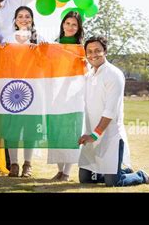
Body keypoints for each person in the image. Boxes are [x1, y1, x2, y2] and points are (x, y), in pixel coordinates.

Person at [78, 36, 149, 187]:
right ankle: (121, 171)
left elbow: (110, 111)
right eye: (89, 51)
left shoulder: (114, 74)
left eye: (97, 51)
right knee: (86, 179)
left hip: (110, 136)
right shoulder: (88, 76)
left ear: (105, 51)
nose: (93, 54)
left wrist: (94, 135)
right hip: (91, 135)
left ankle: (140, 175)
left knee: (114, 182)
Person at [4, 6, 47, 177]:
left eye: (27, 16)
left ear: (32, 20)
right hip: (11, 90)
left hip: (34, 90)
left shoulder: (40, 39)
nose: (23, 19)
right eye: (20, 16)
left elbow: (49, 62)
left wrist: (41, 52)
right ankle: (13, 164)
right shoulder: (7, 40)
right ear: (15, 20)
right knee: (12, 127)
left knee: (30, 128)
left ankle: (27, 164)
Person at [48, 11, 84, 182]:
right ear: (63, 24)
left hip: (73, 97)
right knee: (56, 131)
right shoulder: (54, 45)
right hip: (55, 95)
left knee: (70, 132)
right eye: (67, 23)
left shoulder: (82, 49)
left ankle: (67, 172)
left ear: (79, 28)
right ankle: (59, 170)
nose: (70, 27)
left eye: (74, 25)